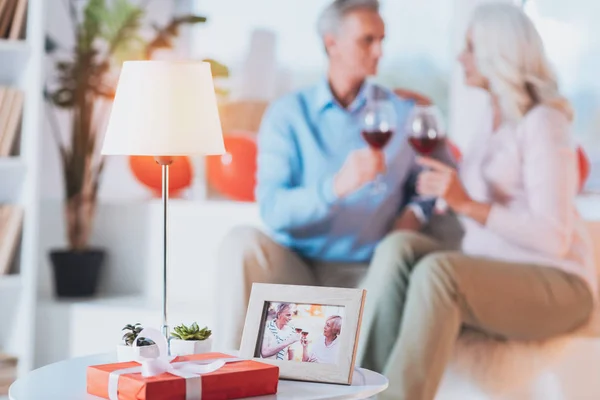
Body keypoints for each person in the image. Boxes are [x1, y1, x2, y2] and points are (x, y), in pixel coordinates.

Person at [356, 3, 598, 400]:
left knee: (439, 273)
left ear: (497, 52)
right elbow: (463, 186)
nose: (459, 57)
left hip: (559, 286)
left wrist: (468, 205)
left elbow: (552, 237)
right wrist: (425, 124)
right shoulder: (493, 116)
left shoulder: (544, 123)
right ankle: (362, 388)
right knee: (399, 247)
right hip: (496, 270)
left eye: (469, 46)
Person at [214, 0, 458, 351]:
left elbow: (443, 178)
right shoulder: (288, 115)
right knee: (240, 242)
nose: (379, 51)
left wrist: (414, 214)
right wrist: (335, 187)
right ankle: (231, 377)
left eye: (382, 40)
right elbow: (273, 209)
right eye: (367, 40)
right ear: (332, 44)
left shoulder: (402, 111)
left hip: (368, 272)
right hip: (296, 264)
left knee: (396, 255)